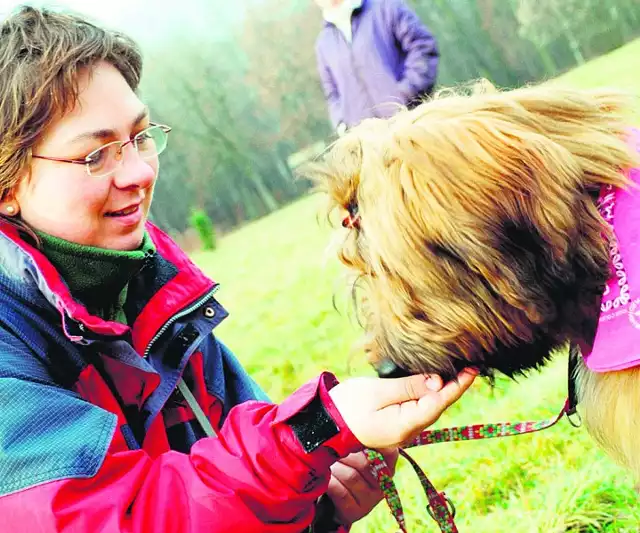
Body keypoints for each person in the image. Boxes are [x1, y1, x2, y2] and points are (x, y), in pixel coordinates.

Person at [0, 6, 476, 532]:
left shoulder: (156, 296)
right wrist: (316, 431)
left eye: (139, 137)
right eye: (95, 156)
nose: (138, 171)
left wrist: (320, 498)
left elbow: (241, 481)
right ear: (8, 185)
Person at [314, 0, 439, 135]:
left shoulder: (386, 7)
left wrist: (406, 95)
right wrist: (342, 123)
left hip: (412, 126)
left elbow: (422, 47)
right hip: (369, 144)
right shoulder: (323, 44)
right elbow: (331, 92)